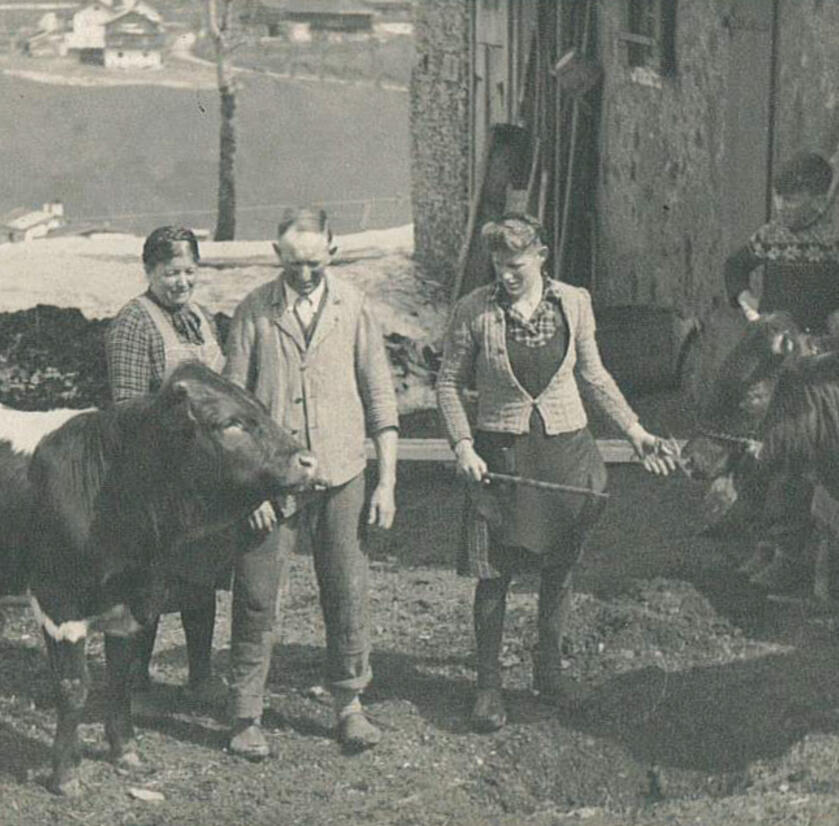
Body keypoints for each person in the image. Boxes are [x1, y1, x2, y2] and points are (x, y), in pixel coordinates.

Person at [436, 213, 674, 732]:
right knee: (494, 574)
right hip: (501, 457)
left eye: (516, 264)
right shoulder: (473, 311)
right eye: (498, 265)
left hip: (566, 449)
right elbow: (448, 384)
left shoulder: (574, 301)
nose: (506, 275)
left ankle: (548, 672)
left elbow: (594, 374)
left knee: (560, 566)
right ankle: (488, 688)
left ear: (541, 255)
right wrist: (463, 445)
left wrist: (635, 431)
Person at [223, 207, 398, 759]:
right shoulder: (254, 312)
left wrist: (385, 481)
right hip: (271, 485)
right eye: (294, 263)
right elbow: (232, 413)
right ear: (278, 256)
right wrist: (247, 490)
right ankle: (246, 714)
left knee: (345, 590)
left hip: (342, 474)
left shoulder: (353, 307)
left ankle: (349, 703)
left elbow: (381, 400)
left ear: (332, 252)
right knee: (255, 595)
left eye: (314, 263)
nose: (304, 274)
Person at [105, 225, 227, 704]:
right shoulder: (134, 324)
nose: (181, 282)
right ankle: (135, 683)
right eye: (171, 272)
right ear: (149, 271)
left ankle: (200, 675)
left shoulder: (199, 318)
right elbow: (128, 411)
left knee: (201, 574)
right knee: (150, 580)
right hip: (153, 475)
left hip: (202, 474)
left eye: (189, 271)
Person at [724, 151, 839, 589]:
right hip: (774, 357)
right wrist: (748, 307)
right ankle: (767, 544)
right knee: (763, 450)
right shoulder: (770, 236)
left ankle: (793, 557)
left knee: (804, 456)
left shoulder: (833, 240)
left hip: (821, 362)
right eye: (778, 199)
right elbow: (735, 267)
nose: (781, 209)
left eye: (792, 200)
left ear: (818, 199)